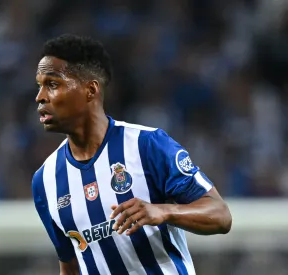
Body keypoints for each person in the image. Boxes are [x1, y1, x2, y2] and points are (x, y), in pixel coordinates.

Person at [31, 34, 232, 275]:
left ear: (90, 90)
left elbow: (220, 215)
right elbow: (70, 267)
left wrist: (164, 211)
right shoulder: (45, 180)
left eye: (52, 85)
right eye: (39, 86)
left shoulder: (147, 145)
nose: (40, 97)